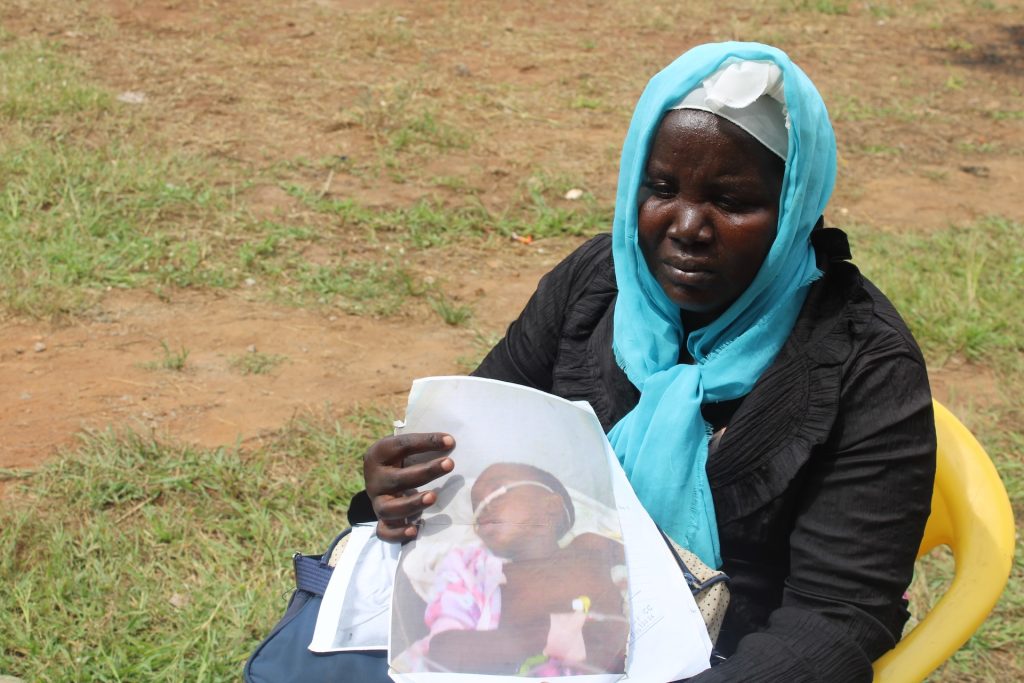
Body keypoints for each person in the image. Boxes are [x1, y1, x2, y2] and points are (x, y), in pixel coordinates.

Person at [356, 41, 935, 682]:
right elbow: (480, 448)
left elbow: (839, 618)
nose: (686, 225)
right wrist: (404, 491)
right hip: (526, 629)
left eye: (733, 202)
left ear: (795, 206)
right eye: (660, 188)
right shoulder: (597, 285)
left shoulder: (864, 365)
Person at [391, 462, 628, 675]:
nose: (484, 508)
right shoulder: (473, 568)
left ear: (552, 506)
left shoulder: (589, 548)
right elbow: (445, 650)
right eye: (477, 506)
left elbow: (646, 565)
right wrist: (551, 634)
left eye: (499, 491)